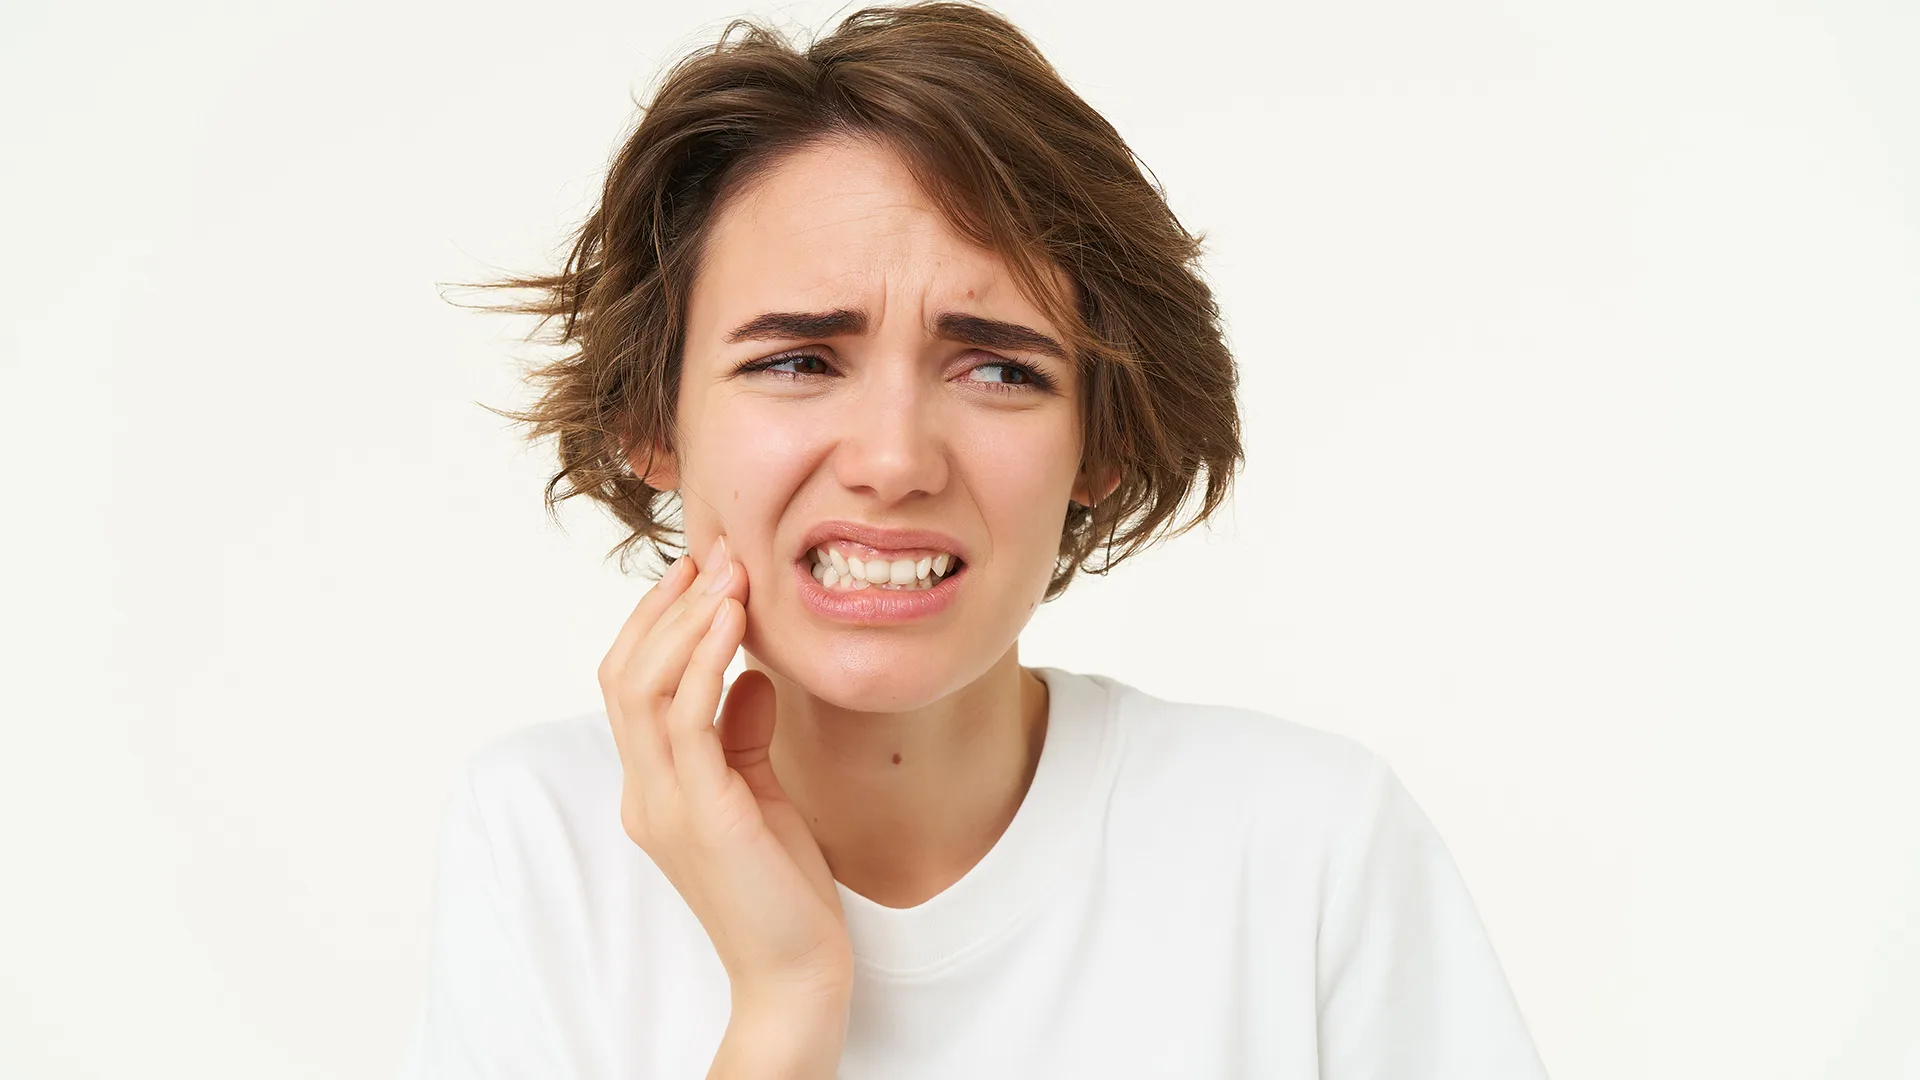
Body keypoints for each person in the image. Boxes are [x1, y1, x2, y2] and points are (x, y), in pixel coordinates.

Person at [402, 3, 1549, 1077]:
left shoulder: (1307, 847)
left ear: (1099, 440)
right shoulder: (544, 840)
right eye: (798, 361)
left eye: (999, 367)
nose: (895, 460)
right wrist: (786, 1001)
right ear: (653, 422)